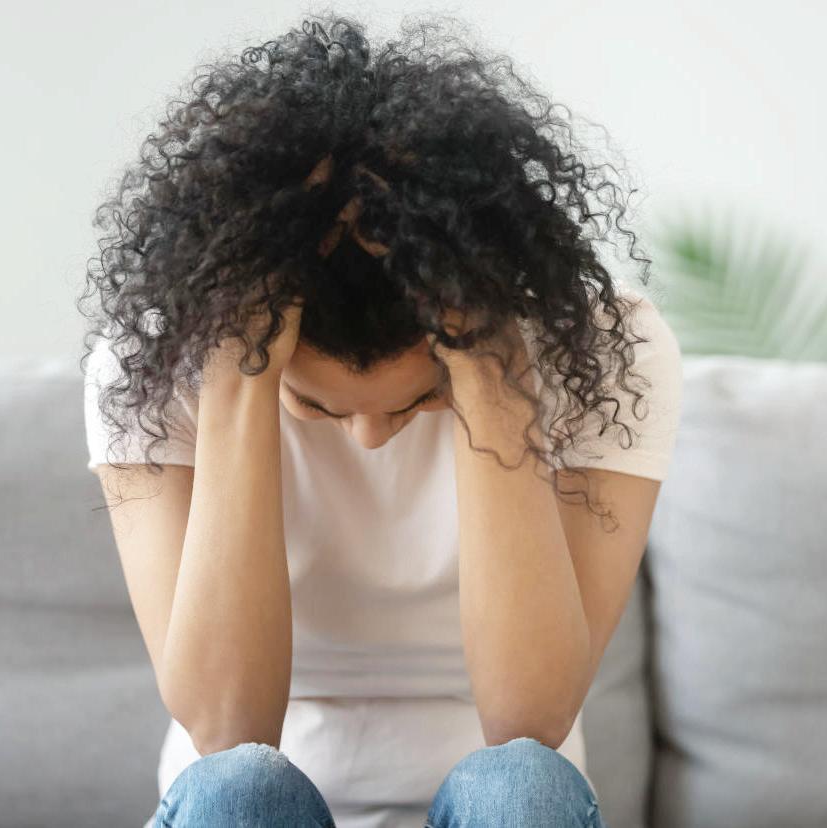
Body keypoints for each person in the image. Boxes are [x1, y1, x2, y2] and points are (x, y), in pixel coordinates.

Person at [78, 12, 683, 828]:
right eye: (315, 405)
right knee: (236, 789)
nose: (368, 436)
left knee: (524, 786)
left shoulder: (606, 348)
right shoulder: (155, 356)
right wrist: (239, 386)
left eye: (417, 400)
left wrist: (489, 374)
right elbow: (225, 730)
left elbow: (531, 719)